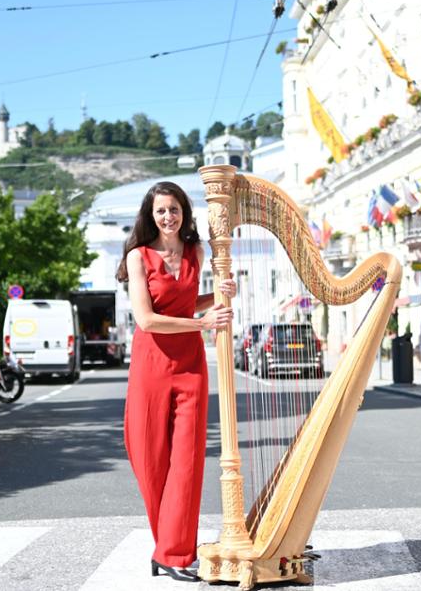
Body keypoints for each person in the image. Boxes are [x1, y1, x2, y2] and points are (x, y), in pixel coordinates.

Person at [116, 181, 235, 582]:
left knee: (187, 462)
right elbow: (146, 319)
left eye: (175, 209)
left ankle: (174, 553)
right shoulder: (138, 256)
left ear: (185, 212)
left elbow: (186, 302)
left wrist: (216, 298)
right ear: (150, 216)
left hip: (191, 365)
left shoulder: (196, 252)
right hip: (151, 364)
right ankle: (165, 545)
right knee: (150, 459)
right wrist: (202, 322)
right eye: (161, 210)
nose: (169, 216)